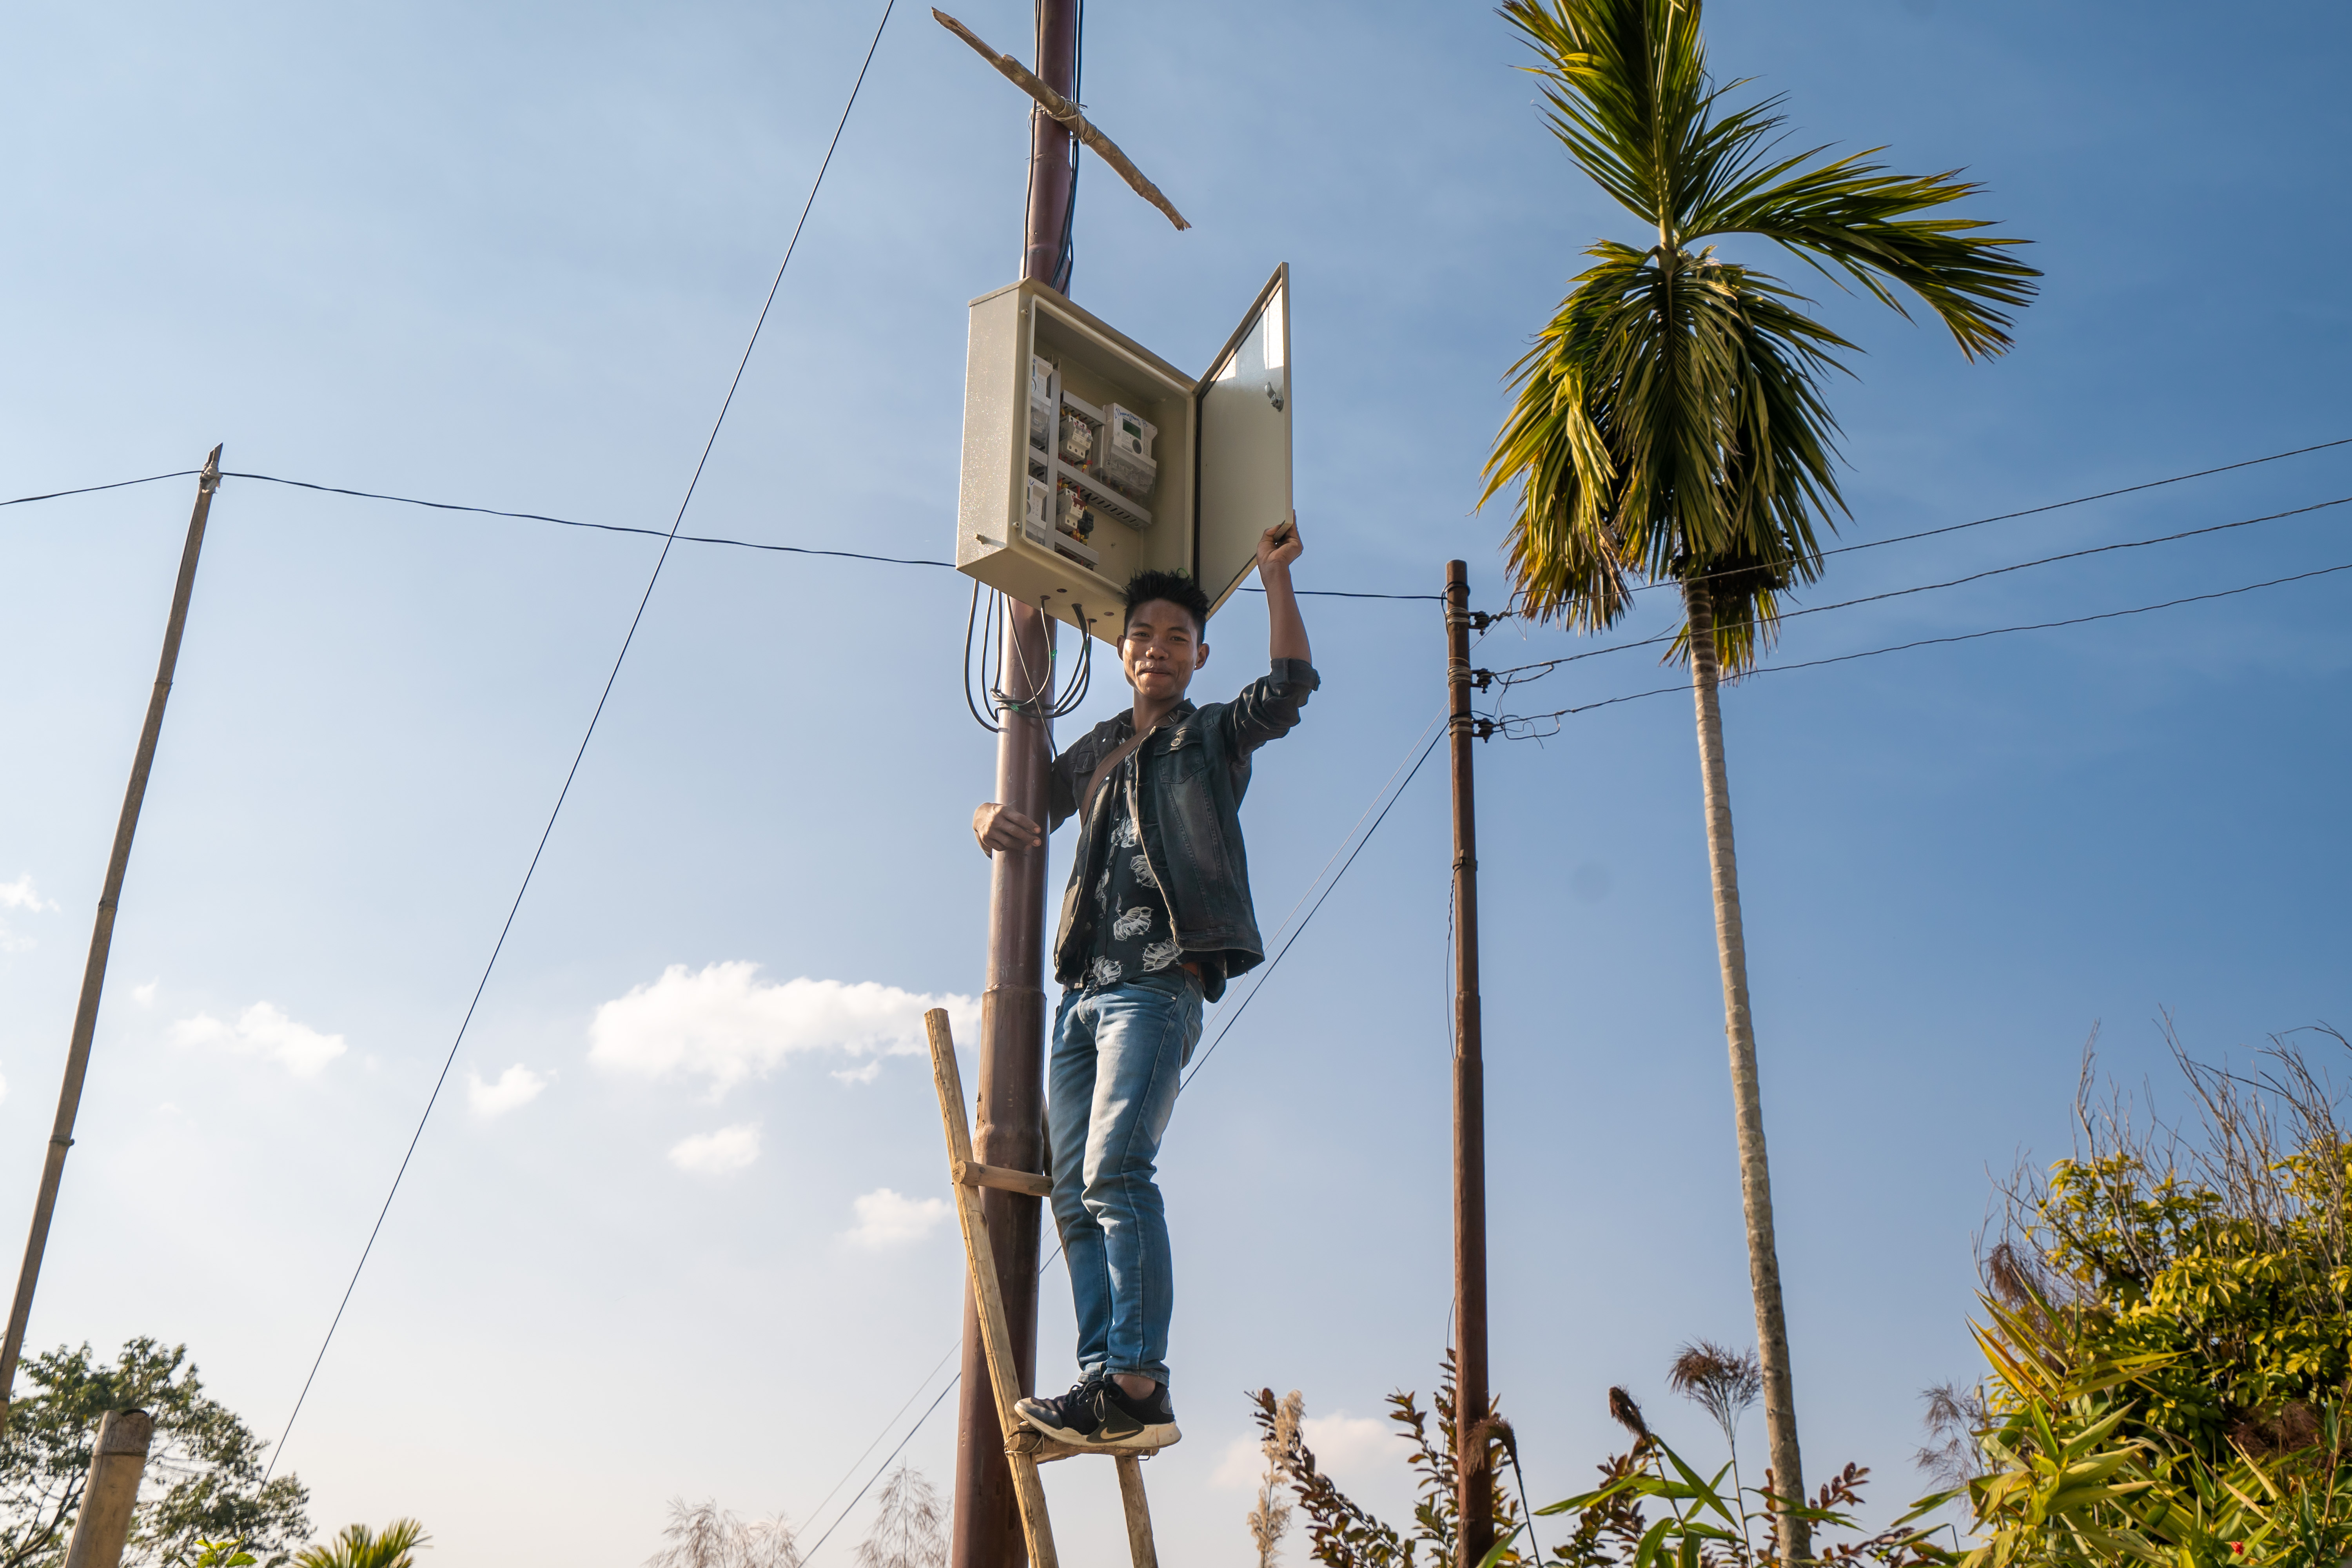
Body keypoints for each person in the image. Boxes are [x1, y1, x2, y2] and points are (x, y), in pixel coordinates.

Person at [971, 519, 1317, 1452]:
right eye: (1143, 637)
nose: (1157, 650)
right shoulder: (1097, 749)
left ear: (1200, 655)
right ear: (1121, 652)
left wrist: (1277, 578)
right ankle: (1100, 1381)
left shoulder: (1210, 737)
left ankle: (1138, 1379)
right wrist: (983, 815)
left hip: (1158, 984)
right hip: (1083, 990)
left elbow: (1288, 690)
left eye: (1177, 639)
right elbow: (1025, 804)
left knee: (1119, 1168)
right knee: (1075, 1190)